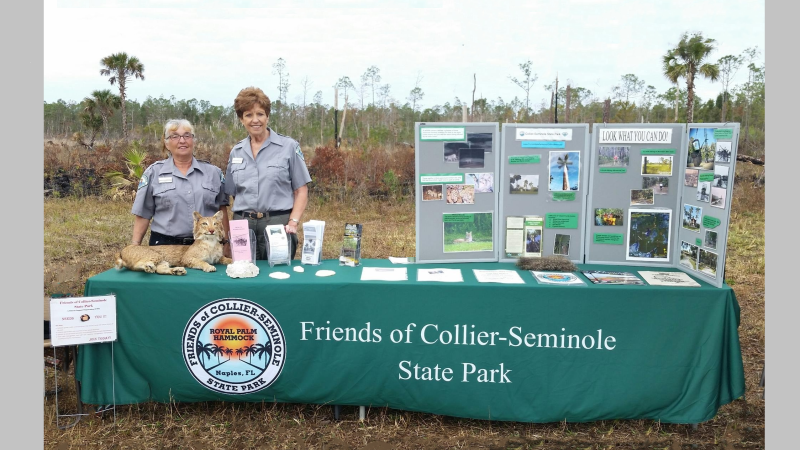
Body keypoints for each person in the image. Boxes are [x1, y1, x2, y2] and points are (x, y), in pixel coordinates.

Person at [224, 87, 311, 260]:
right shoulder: (236, 152)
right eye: (248, 115)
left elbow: (301, 190)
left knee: (277, 277)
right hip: (243, 226)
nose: (255, 120)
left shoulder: (288, 147)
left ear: (267, 116)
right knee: (243, 275)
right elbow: (233, 193)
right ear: (241, 119)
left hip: (277, 224)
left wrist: (293, 221)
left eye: (260, 114)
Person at [130, 119, 229, 247]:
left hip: (208, 245)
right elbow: (143, 213)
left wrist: (227, 244)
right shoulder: (153, 173)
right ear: (166, 143)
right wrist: (135, 245)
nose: (182, 140)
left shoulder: (214, 173)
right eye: (174, 136)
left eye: (187, 135)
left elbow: (222, 210)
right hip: (164, 246)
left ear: (193, 140)